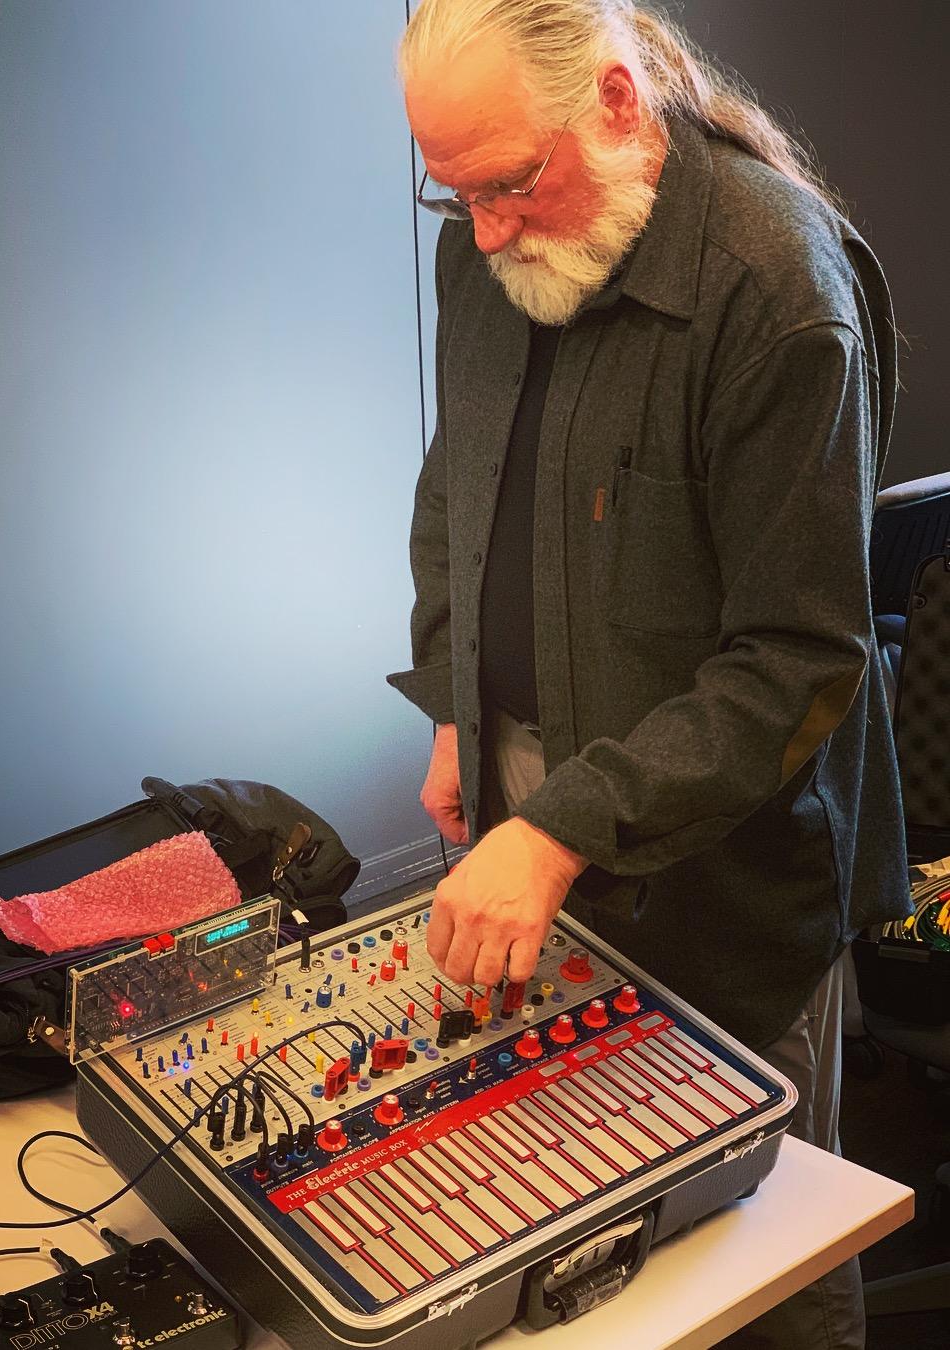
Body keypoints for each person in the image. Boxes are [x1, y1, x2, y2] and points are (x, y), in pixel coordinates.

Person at [386, 2, 913, 1346]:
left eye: (509, 183)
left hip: (726, 880)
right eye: (454, 192)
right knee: (587, 1267)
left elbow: (795, 661)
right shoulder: (483, 244)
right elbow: (456, 490)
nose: (484, 228)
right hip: (535, 818)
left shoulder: (777, 285)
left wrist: (561, 825)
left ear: (619, 99)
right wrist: (457, 697)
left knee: (756, 1271)